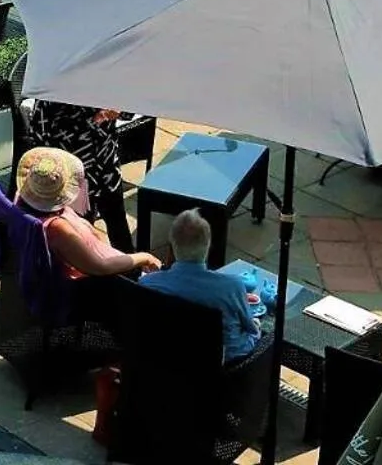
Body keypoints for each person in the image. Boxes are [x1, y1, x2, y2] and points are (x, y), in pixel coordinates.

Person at [15, 147, 160, 282]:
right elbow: (101, 267)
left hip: (103, 264)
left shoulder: (24, 200)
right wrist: (144, 257)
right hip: (95, 284)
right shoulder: (58, 229)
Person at [139, 210, 264, 363]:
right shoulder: (232, 287)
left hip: (167, 363)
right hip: (225, 371)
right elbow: (250, 328)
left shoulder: (147, 285)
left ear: (172, 245)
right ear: (208, 245)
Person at [33, 99, 134, 251]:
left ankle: (131, 271)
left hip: (106, 167)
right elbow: (40, 136)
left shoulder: (110, 80)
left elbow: (129, 112)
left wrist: (119, 108)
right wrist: (95, 119)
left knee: (117, 221)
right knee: (81, 235)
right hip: (75, 175)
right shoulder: (52, 93)